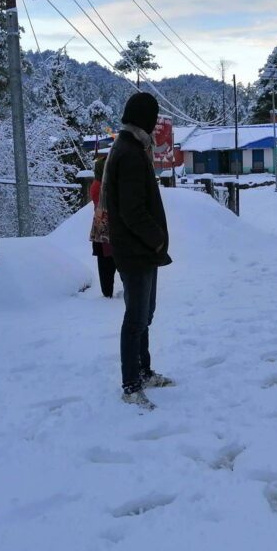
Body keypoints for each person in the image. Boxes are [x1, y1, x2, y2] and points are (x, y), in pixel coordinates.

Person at [102, 92, 174, 410]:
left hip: (139, 249)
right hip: (135, 250)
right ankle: (131, 384)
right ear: (145, 119)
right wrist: (157, 239)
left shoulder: (131, 146)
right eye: (154, 119)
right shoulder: (130, 153)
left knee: (145, 315)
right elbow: (133, 211)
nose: (157, 125)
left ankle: (143, 372)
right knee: (135, 319)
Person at [88, 156, 117, 298]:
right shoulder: (109, 184)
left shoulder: (96, 185)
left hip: (101, 227)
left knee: (105, 263)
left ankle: (107, 293)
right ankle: (112, 293)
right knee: (117, 259)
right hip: (113, 226)